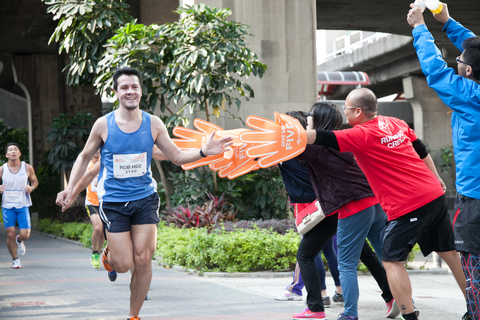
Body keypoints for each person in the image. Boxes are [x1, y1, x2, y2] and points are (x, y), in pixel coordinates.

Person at [55, 67, 233, 320]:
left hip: (145, 199)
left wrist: (205, 151)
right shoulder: (103, 125)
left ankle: (133, 316)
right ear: (116, 92)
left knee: (143, 260)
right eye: (125, 87)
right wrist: (70, 189)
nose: (130, 91)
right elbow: (85, 158)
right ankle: (110, 254)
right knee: (123, 264)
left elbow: (178, 157)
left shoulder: (154, 123)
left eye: (134, 87)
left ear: (140, 91)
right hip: (113, 202)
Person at [305, 88, 467, 320]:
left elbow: (318, 138)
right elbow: (421, 149)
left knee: (392, 261)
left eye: (346, 109)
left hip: (409, 205)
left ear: (358, 111)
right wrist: (436, 177)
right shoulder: (395, 122)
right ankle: (475, 307)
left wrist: (294, 132)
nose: (344, 112)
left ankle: (409, 315)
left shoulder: (360, 134)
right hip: (434, 196)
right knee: (450, 254)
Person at [407, 3, 480, 319]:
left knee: (474, 265)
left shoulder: (469, 96)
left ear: (468, 72)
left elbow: (436, 70)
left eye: (460, 60)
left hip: (476, 197)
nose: (457, 61)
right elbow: (475, 46)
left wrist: (419, 28)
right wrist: (448, 23)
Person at [295, 102, 392, 320]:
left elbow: (295, 146)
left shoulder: (318, 148)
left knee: (346, 264)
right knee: (385, 258)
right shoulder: (346, 138)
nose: (307, 118)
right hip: (374, 203)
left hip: (354, 205)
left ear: (317, 119)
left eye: (310, 115)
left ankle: (349, 314)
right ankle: (400, 301)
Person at [275, 111, 343, 306]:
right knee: (330, 249)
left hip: (308, 205)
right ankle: (340, 291)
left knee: (308, 252)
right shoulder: (316, 147)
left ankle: (313, 293)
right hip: (328, 201)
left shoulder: (286, 150)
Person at [1, 142, 39, 269]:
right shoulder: (2, 169)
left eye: (15, 149)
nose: (13, 151)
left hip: (23, 206)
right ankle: (15, 260)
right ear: (6, 154)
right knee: (10, 234)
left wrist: (31, 188)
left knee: (25, 235)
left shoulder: (27, 167)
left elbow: (35, 181)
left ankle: (19, 240)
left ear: (20, 153)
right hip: (7, 206)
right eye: (10, 150)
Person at [84, 149, 104, 270]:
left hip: (104, 201)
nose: (96, 151)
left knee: (102, 232)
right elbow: (79, 180)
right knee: (97, 228)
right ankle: (94, 253)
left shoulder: (105, 164)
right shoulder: (87, 165)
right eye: (94, 149)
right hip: (91, 202)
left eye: (99, 149)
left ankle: (98, 253)